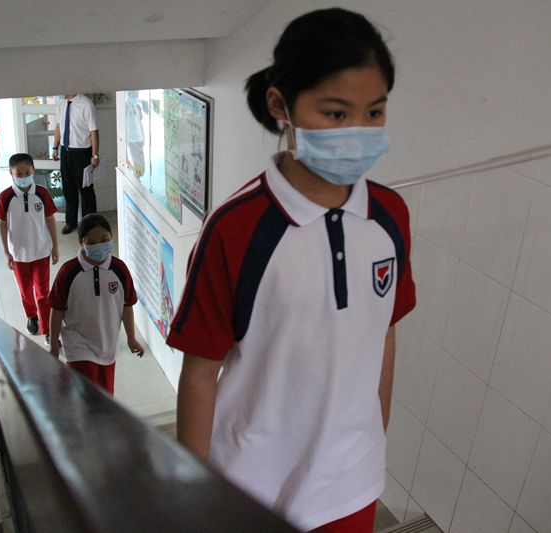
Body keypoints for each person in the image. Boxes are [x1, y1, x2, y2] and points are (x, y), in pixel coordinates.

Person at [166, 8, 416, 533]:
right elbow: (200, 372)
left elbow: (385, 332)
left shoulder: (390, 216)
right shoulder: (235, 229)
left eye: (374, 112)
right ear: (281, 105)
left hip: (352, 486)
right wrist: (195, 495)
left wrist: (374, 435)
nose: (359, 131)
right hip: (252, 489)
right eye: (336, 113)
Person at [47, 214, 145, 394]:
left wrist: (131, 338)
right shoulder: (68, 272)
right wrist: (54, 344)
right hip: (76, 343)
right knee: (88, 394)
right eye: (91, 242)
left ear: (112, 237)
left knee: (106, 395)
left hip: (107, 345)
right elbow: (57, 309)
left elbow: (127, 306)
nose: (99, 245)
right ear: (81, 243)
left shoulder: (120, 269)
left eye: (104, 240)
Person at [0, 153, 59, 344]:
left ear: (33, 171)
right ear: (11, 173)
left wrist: (55, 246)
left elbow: (50, 219)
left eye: (28, 173)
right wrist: (6, 252)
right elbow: (1, 224)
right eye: (19, 174)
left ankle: (47, 329)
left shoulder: (42, 193)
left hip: (41, 252)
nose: (24, 177)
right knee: (25, 291)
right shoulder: (5, 197)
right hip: (18, 255)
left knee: (43, 293)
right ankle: (32, 315)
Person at [52, 94, 100, 234]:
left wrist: (95, 155)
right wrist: (55, 147)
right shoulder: (61, 104)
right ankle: (70, 222)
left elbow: (94, 131)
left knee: (86, 191)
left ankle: (89, 225)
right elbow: (58, 127)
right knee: (68, 189)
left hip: (82, 153)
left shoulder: (86, 104)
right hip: (65, 151)